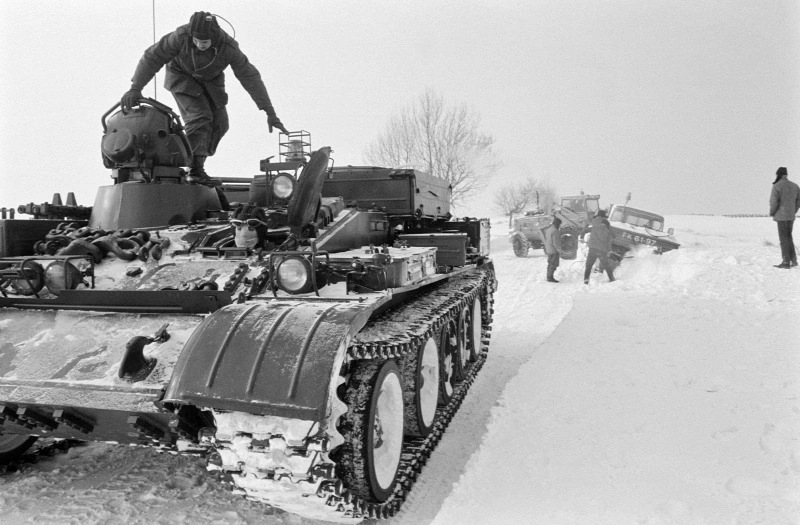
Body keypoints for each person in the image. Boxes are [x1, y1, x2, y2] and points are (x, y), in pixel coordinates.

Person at [121, 11, 288, 185]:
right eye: (197, 41)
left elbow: (250, 77)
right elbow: (153, 57)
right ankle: (194, 169)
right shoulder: (180, 37)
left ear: (213, 37)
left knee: (221, 123)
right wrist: (135, 88)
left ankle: (195, 161)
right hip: (181, 76)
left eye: (205, 42)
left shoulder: (228, 48)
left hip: (211, 80)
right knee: (200, 117)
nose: (200, 45)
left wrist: (269, 112)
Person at [769, 166, 800, 268]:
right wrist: (792, 211)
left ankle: (786, 262)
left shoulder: (777, 186)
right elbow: (798, 202)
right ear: (786, 175)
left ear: (779, 175)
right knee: (789, 237)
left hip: (781, 216)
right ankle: (794, 261)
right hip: (790, 216)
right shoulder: (795, 186)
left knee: (784, 239)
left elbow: (774, 202)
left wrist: (772, 212)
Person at [584, 209, 615, 284]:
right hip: (602, 249)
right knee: (606, 265)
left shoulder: (594, 222)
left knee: (588, 265)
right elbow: (611, 237)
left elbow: (587, 226)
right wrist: (609, 249)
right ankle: (612, 279)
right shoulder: (607, 225)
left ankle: (586, 280)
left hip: (593, 248)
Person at [540, 217, 562, 282]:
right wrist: (559, 250)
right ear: (557, 224)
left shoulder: (549, 229)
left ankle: (549, 276)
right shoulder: (555, 231)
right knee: (553, 264)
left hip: (549, 249)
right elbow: (556, 242)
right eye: (559, 224)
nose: (560, 226)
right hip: (553, 250)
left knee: (550, 264)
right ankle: (550, 277)